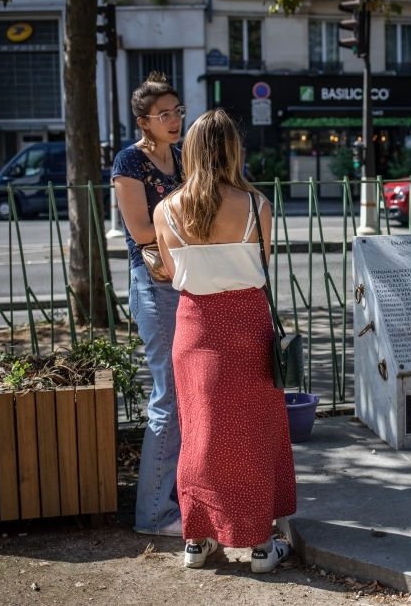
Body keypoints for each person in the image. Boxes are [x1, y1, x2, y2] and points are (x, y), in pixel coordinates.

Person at [152, 109, 296, 573]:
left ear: (189, 152)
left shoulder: (166, 210)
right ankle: (259, 544)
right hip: (246, 324)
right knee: (253, 433)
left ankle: (197, 540)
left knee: (198, 431)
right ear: (234, 150)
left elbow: (173, 274)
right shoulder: (257, 205)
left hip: (194, 325)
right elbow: (263, 266)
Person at [111, 72, 186, 537]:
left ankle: (177, 497)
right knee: (169, 399)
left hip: (186, 281)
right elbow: (140, 233)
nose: (175, 119)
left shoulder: (182, 158)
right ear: (144, 121)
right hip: (156, 286)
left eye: (178, 110)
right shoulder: (128, 162)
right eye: (165, 114)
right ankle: (154, 515)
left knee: (186, 396)